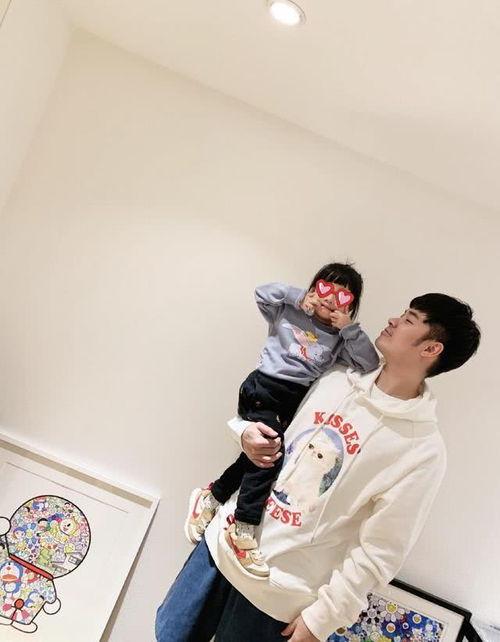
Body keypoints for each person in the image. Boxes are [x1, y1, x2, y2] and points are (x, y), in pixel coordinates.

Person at [157, 293, 480, 642]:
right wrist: (244, 432)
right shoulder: (334, 377)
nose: (393, 320)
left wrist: (322, 619)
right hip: (220, 546)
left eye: (409, 319)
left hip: (276, 595)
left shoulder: (422, 450)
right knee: (167, 635)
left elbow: (381, 550)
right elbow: (265, 411)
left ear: (431, 348)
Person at [185, 262, 379, 578]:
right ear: (313, 287)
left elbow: (369, 363)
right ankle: (243, 528)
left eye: (343, 297)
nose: (330, 299)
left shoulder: (339, 339)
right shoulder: (287, 312)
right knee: (268, 459)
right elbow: (262, 293)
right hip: (263, 388)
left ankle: (213, 495)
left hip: (293, 402)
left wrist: (348, 328)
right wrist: (298, 297)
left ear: (350, 306)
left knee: (260, 456)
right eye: (325, 288)